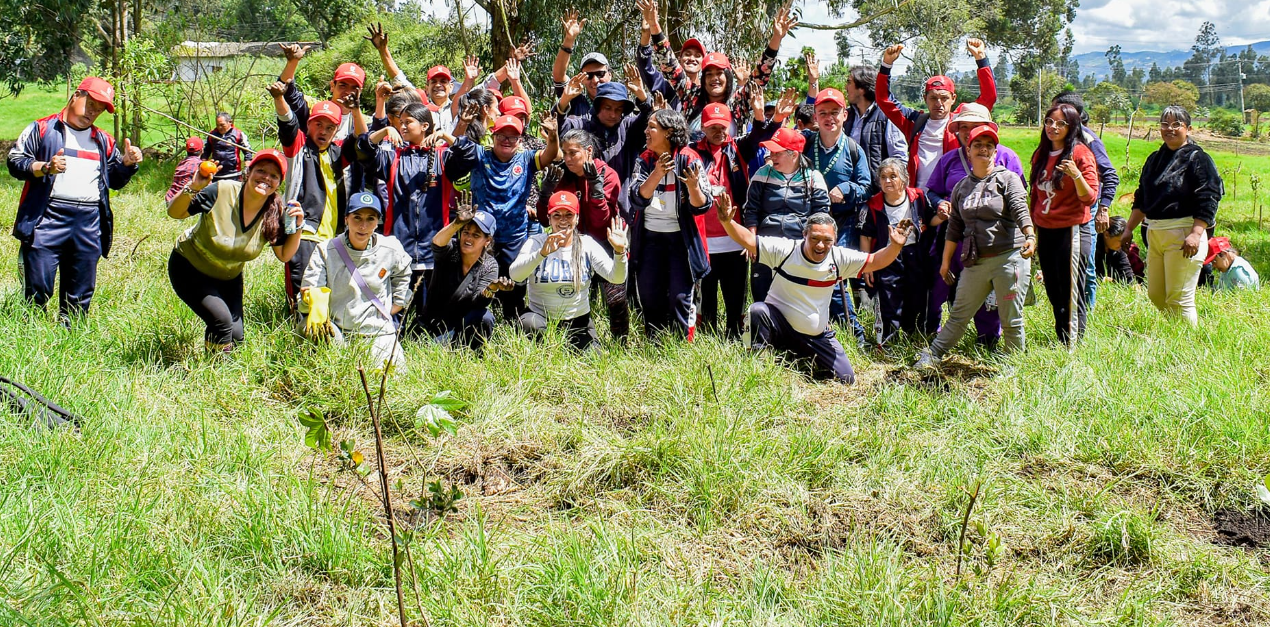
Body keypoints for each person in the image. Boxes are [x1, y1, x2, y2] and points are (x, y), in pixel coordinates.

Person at [714, 195, 911, 384]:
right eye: (815, 238)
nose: (820, 245)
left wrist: (894, 246)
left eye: (827, 240)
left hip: (815, 337)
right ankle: (760, 362)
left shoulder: (839, 257)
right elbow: (749, 240)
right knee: (758, 310)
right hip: (779, 327)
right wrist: (727, 223)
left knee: (847, 378)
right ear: (804, 235)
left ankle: (795, 357)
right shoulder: (786, 250)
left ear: (834, 240)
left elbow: (876, 261)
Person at [7, 76, 143, 320]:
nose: (93, 112)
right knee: (38, 286)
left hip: (88, 221)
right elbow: (15, 162)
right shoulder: (42, 129)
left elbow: (114, 180)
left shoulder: (103, 141)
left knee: (80, 292)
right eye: (90, 104)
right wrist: (45, 167)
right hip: (47, 217)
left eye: (99, 109)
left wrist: (126, 164)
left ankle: (72, 336)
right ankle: (32, 333)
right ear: (76, 96)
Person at [916, 125, 1036, 369]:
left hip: (1009, 257)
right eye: (978, 145)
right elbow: (954, 228)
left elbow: (1020, 207)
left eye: (989, 145)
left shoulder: (1007, 179)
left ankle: (1013, 366)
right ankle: (934, 355)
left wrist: (1030, 235)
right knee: (959, 313)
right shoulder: (961, 187)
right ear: (968, 150)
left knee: (1011, 317)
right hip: (976, 260)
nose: (984, 149)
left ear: (995, 151)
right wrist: (946, 262)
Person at [166, 149, 303, 352]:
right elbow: (175, 213)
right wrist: (193, 187)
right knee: (221, 322)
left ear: (278, 183)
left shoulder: (273, 213)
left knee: (237, 337)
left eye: (274, 175)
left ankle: (223, 370)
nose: (266, 178)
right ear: (249, 171)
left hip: (229, 278)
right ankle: (213, 375)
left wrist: (298, 227)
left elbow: (284, 255)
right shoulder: (221, 191)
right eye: (261, 171)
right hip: (189, 268)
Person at [444, 108, 559, 321]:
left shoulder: (526, 159)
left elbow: (550, 155)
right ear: (494, 136)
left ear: (519, 139)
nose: (507, 140)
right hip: (483, 236)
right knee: (478, 279)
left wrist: (553, 135)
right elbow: (458, 147)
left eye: (513, 136)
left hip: (514, 235)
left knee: (513, 282)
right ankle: (474, 319)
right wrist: (457, 126)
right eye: (502, 135)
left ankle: (512, 320)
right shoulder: (480, 154)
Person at [924, 103, 1024, 342]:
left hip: (995, 240)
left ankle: (988, 339)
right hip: (954, 234)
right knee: (941, 285)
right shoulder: (949, 160)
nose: (969, 133)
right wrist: (940, 203)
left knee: (990, 293)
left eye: (976, 127)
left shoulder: (1007, 157)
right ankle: (933, 334)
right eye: (964, 128)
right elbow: (933, 191)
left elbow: (1020, 197)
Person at [695, 96, 788, 338]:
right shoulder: (692, 151)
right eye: (712, 126)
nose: (718, 130)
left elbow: (759, 136)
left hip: (734, 238)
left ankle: (735, 336)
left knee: (735, 295)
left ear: (730, 126)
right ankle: (708, 340)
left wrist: (775, 118)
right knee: (706, 299)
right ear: (703, 127)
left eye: (722, 125)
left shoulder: (738, 148)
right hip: (704, 240)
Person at [270, 81, 368, 304]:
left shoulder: (337, 153)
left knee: (328, 295)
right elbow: (287, 122)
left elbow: (362, 139)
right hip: (302, 235)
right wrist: (279, 98)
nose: (323, 131)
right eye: (318, 124)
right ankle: (296, 334)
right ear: (309, 125)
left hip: (333, 239)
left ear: (335, 131)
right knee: (301, 296)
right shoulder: (298, 149)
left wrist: (355, 110)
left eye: (329, 127)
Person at [1123, 106, 1222, 326]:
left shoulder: (1199, 158)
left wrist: (1197, 233)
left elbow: (1209, 196)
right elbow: (1142, 197)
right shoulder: (1154, 159)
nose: (1170, 129)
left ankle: (1188, 344)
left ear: (1188, 128)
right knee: (1156, 295)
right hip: (1155, 232)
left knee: (1180, 298)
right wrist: (1129, 228)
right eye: (1165, 124)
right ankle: (1175, 332)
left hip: (1185, 232)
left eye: (1177, 124)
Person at [639, 0, 797, 133]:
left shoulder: (738, 103)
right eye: (709, 74)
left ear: (728, 77)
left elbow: (760, 77)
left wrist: (776, 38)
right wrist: (654, 25)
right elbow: (670, 65)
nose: (714, 78)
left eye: (719, 73)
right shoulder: (691, 96)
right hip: (692, 168)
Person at [356, 102, 446, 334]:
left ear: (425, 125)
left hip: (431, 250)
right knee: (396, 315)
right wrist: (384, 130)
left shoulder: (442, 156)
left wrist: (445, 135)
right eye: (400, 122)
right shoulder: (393, 156)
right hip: (399, 248)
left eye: (408, 122)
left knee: (429, 320)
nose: (402, 126)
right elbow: (363, 151)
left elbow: (469, 155)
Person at [299, 192, 412, 368]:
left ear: (378, 222)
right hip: (338, 330)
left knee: (394, 381)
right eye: (357, 218)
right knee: (306, 327)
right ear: (346, 219)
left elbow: (404, 273)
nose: (363, 226)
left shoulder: (391, 249)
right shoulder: (325, 250)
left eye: (370, 219)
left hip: (378, 333)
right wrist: (313, 302)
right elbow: (306, 295)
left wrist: (398, 302)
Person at [538, 129, 629, 340]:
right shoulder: (562, 175)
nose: (567, 159)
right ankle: (568, 337)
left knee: (615, 299)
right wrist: (546, 193)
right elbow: (545, 219)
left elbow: (601, 224)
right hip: (573, 244)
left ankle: (620, 343)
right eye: (565, 153)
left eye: (573, 153)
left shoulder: (607, 175)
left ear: (588, 151)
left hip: (606, 243)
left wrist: (595, 187)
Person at [629, 109, 712, 337]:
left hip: (681, 240)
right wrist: (656, 174)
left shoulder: (689, 158)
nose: (646, 131)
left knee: (680, 297)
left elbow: (703, 205)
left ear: (669, 132)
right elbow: (636, 198)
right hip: (649, 239)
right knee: (649, 294)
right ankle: (654, 344)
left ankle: (682, 348)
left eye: (652, 127)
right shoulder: (644, 159)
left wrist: (693, 187)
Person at [511, 191, 629, 350]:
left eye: (569, 215)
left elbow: (616, 278)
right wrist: (541, 254)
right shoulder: (536, 242)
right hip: (540, 317)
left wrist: (619, 252)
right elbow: (515, 274)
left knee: (593, 357)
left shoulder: (587, 244)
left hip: (578, 319)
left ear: (577, 218)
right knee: (531, 325)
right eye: (557, 215)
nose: (563, 220)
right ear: (549, 218)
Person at [801, 87, 872, 342]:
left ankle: (856, 335)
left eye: (834, 112)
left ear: (845, 115)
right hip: (810, 223)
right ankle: (819, 329)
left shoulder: (854, 149)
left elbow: (866, 186)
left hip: (843, 223)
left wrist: (846, 188)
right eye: (822, 113)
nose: (829, 117)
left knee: (833, 272)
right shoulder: (806, 143)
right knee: (814, 274)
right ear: (816, 117)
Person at [877, 39, 997, 189]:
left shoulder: (961, 122)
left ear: (953, 99)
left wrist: (981, 59)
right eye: (933, 98)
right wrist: (886, 65)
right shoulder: (914, 122)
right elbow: (884, 100)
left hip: (952, 199)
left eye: (944, 98)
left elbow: (988, 97)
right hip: (918, 197)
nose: (938, 104)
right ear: (925, 98)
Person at [1030, 103, 1099, 346]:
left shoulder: (1080, 154)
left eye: (1061, 123)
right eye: (1049, 121)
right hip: (1046, 230)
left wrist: (1075, 175)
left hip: (1072, 230)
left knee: (1071, 290)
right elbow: (1035, 195)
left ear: (1071, 127)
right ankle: (1062, 338)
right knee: (1053, 289)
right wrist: (1032, 228)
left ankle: (1072, 346)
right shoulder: (1040, 154)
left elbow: (1090, 197)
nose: (1053, 127)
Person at [1051, 92, 1120, 311]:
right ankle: (1065, 309)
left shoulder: (1089, 140)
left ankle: (1085, 314)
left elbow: (1110, 175)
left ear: (1075, 116)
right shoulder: (1054, 139)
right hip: (1057, 211)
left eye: (1061, 114)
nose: (1054, 119)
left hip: (1084, 211)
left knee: (1084, 264)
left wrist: (1103, 208)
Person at [744, 127, 830, 300]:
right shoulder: (762, 175)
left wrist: (812, 245)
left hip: (798, 245)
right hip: (766, 244)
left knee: (796, 296)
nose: (771, 156)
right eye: (771, 151)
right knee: (763, 294)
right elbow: (751, 209)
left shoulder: (814, 178)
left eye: (777, 152)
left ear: (794, 154)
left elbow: (821, 216)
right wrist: (751, 241)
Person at [861, 158, 937, 345]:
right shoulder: (874, 204)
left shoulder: (917, 197)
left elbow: (930, 221)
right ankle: (889, 341)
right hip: (887, 257)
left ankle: (914, 337)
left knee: (917, 296)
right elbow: (866, 236)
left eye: (893, 176)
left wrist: (941, 217)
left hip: (914, 255)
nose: (887, 181)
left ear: (904, 179)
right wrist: (868, 266)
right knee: (889, 298)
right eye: (883, 177)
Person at [421, 201, 510, 351]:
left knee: (485, 317)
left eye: (476, 235)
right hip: (434, 324)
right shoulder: (451, 250)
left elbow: (478, 302)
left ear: (487, 241)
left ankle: (469, 354)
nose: (468, 238)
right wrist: (456, 223)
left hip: (461, 326)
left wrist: (491, 289)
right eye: (465, 232)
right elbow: (436, 243)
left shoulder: (489, 265)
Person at [834, 61, 908, 191]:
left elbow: (899, 159)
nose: (846, 87)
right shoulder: (846, 117)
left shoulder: (886, 116)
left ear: (861, 88)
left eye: (849, 82)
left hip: (877, 195)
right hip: (848, 192)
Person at [551, 10, 614, 118]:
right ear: (582, 78)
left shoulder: (621, 105)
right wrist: (569, 40)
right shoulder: (575, 102)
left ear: (610, 74)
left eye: (600, 74)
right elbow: (559, 76)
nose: (595, 80)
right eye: (588, 75)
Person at [201, 112, 253, 180]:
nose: (220, 127)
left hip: (234, 174)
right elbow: (206, 151)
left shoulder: (238, 134)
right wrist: (202, 165)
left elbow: (247, 151)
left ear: (230, 122)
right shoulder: (212, 134)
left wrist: (247, 166)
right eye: (217, 125)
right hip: (216, 174)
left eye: (222, 125)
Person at [1095, 216, 1143, 284]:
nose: (1123, 244)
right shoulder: (1093, 248)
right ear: (1106, 235)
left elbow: (1128, 276)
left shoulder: (1118, 248)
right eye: (1120, 241)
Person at [166, 137, 205, 203]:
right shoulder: (201, 165)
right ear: (202, 150)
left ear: (186, 150)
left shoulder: (181, 163)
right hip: (185, 202)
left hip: (170, 199)